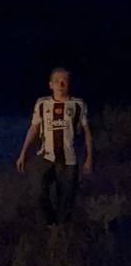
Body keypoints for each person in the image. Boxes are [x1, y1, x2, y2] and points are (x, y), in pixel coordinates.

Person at [14, 67, 93, 225]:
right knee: (38, 192)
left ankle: (61, 233)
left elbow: (86, 131)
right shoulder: (42, 104)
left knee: (66, 198)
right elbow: (34, 128)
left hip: (69, 160)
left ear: (68, 83)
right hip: (46, 157)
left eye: (64, 80)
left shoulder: (77, 104)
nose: (60, 83)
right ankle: (49, 224)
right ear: (51, 84)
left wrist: (89, 157)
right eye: (57, 80)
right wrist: (23, 153)